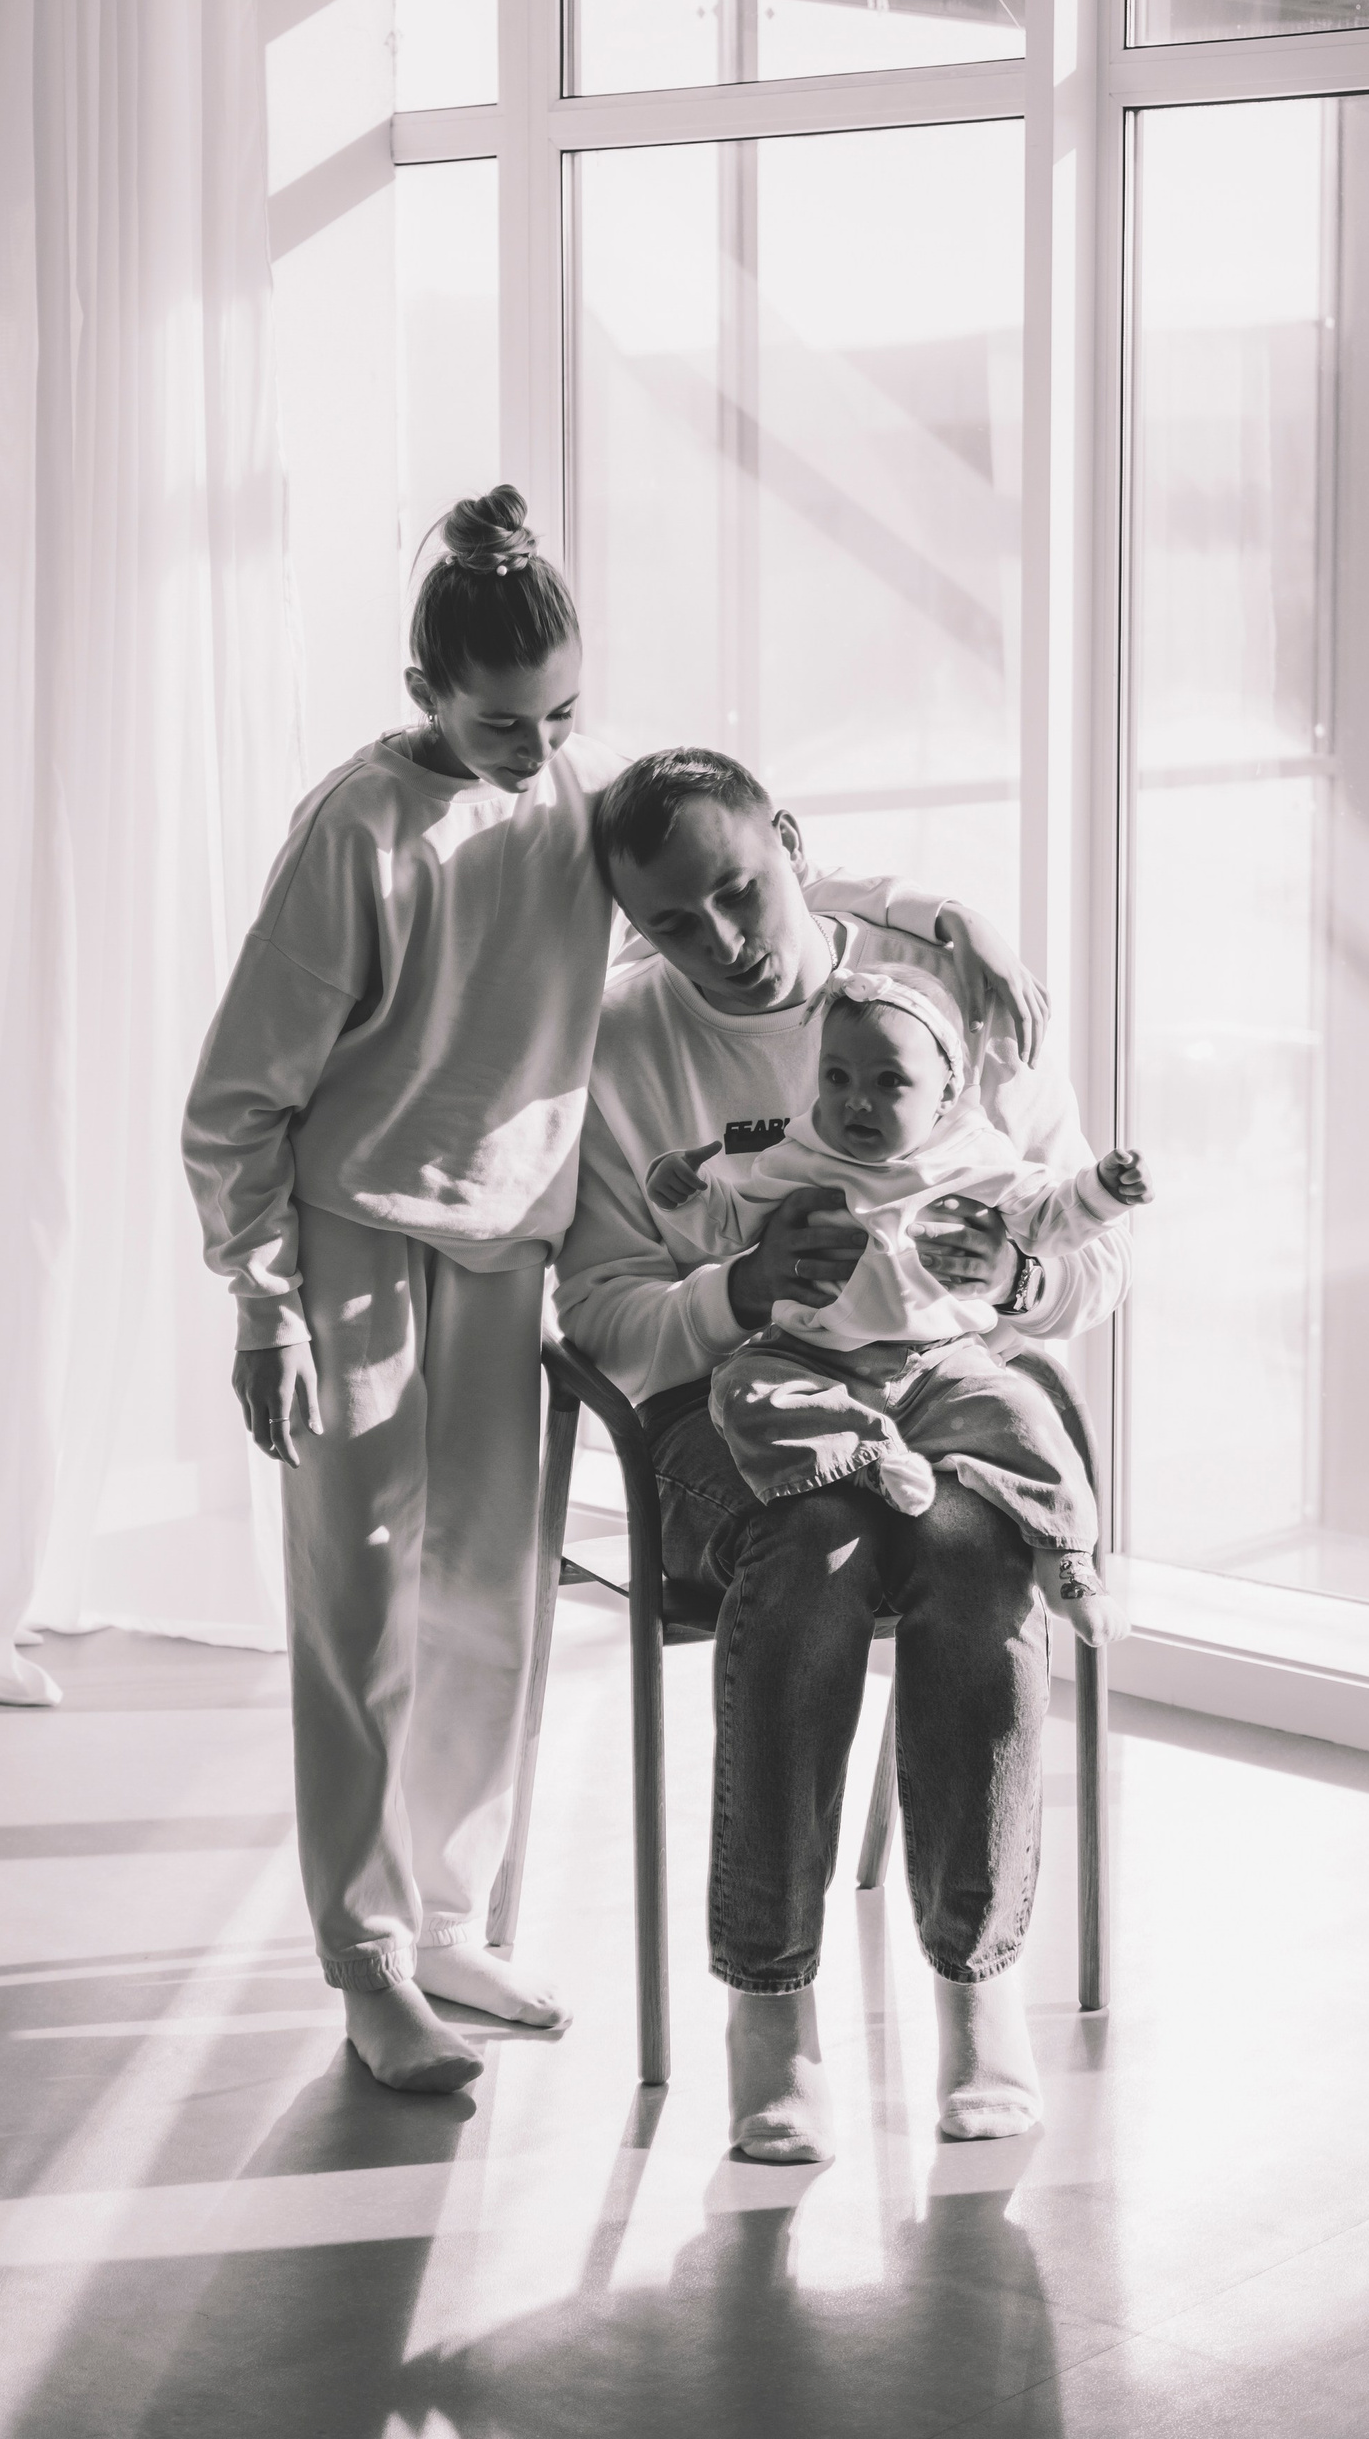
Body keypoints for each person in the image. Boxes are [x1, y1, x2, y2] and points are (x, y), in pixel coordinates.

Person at [183, 498, 1042, 2097]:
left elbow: (749, 863)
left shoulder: (575, 790)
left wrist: (943, 919)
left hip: (504, 1249)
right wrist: (261, 1297)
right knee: (361, 1609)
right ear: (426, 692)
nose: (535, 749)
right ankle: (368, 1962)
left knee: (485, 1604)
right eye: (502, 723)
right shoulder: (357, 830)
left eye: (562, 717)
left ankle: (447, 1921)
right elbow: (236, 1096)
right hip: (353, 1245)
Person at [556, 751, 1134, 2162]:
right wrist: (738, 1292)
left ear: (793, 846)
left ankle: (977, 1987)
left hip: (938, 1385)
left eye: (739, 893)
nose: (720, 944)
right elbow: (601, 1318)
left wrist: (1008, 1281)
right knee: (814, 1545)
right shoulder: (621, 1046)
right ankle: (771, 2010)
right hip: (730, 1411)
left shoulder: (954, 997)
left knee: (973, 1548)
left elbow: (1087, 1264)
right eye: (671, 923)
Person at [647, 965, 1148, 1573]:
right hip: (813, 1358)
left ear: (945, 1094)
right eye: (837, 1077)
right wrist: (689, 1194)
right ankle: (868, 1460)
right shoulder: (799, 1156)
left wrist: (1101, 1193)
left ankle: (1068, 1561)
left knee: (1025, 1414)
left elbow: (1049, 1218)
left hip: (942, 1363)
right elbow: (731, 1223)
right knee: (741, 1390)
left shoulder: (973, 1156)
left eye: (889, 1081)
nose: (856, 1100)